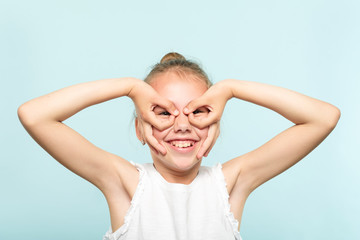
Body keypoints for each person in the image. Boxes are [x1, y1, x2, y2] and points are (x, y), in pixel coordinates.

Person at [18, 52, 340, 240]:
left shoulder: (229, 185)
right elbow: (34, 116)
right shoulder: (125, 184)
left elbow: (324, 117)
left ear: (215, 125)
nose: (182, 123)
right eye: (163, 113)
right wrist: (130, 88)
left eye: (198, 112)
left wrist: (230, 89)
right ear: (140, 129)